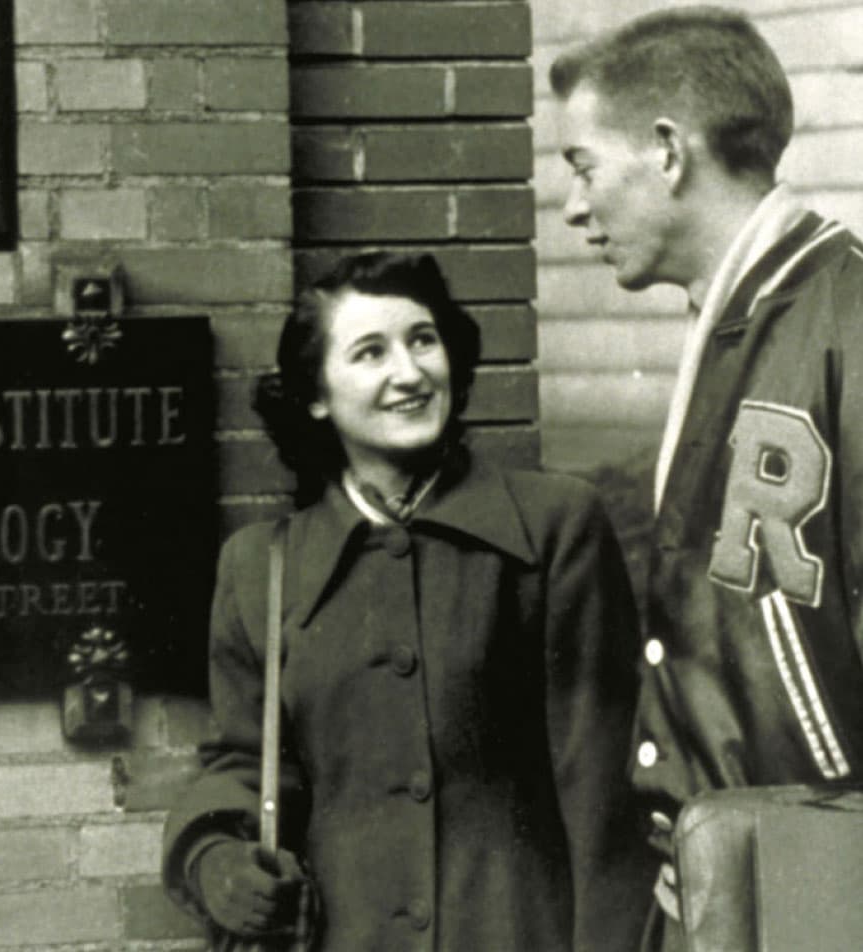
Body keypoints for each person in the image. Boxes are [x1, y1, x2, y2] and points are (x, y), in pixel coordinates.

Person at [161, 251, 654, 951]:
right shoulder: (260, 568)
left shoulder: (555, 528)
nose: (410, 372)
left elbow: (604, 794)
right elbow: (244, 762)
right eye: (370, 352)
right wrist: (215, 860)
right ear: (316, 394)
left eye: (424, 340)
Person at [552, 7, 863, 948]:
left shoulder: (844, 318)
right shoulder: (733, 316)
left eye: (581, 166)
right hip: (725, 895)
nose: (573, 207)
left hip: (824, 902)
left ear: (666, 151)